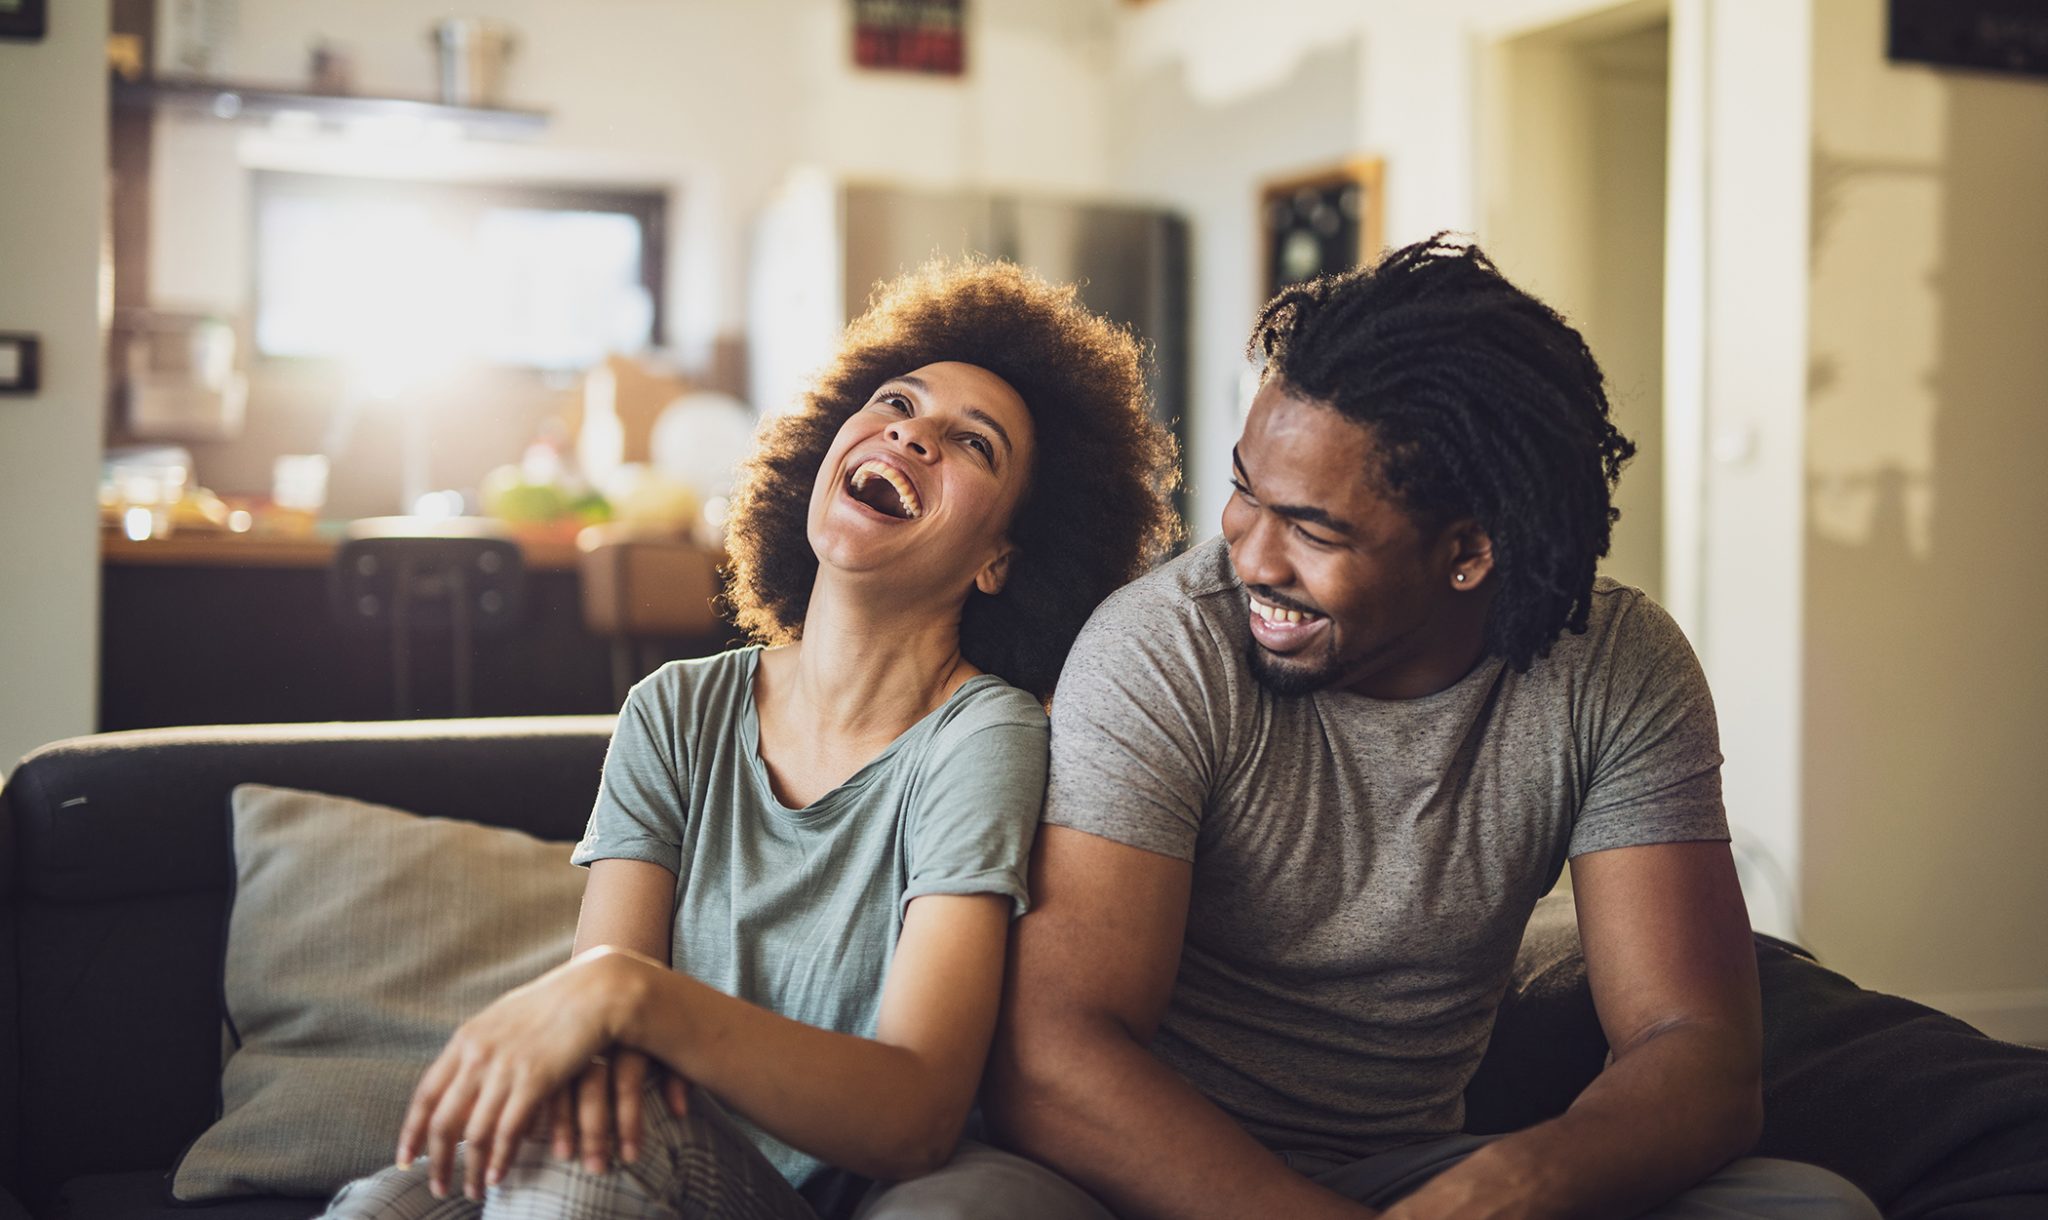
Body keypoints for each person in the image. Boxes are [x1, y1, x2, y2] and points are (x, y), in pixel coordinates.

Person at [942, 236, 1880, 1219]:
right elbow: (1052, 1057)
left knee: (1809, 1205)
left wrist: (1521, 1179)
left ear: (1468, 550)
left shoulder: (1614, 667)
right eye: (1242, 490)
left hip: (1406, 1173)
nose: (1247, 552)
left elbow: (1695, 1045)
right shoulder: (1160, 649)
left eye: (1311, 528)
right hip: (1119, 1172)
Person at [317, 260, 1180, 1220]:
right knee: (391, 1202)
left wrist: (632, 1001)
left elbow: (919, 1111)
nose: (913, 432)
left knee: (592, 1163)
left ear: (1002, 561)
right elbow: (607, 1043)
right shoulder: (673, 711)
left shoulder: (982, 736)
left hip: (784, 1193)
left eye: (973, 444)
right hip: (645, 1157)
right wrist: (610, 1015)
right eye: (897, 401)